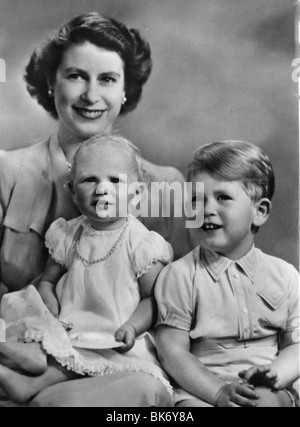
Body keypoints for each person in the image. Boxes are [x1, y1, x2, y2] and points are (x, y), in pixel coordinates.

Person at [0, 12, 186, 407]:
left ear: (124, 90)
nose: (90, 95)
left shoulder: (165, 184)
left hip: (121, 359)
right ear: (51, 84)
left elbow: (180, 302)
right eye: (75, 76)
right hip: (28, 351)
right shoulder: (6, 170)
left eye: (107, 79)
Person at [0, 135, 174, 404]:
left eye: (115, 181)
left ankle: (29, 378)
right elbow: (47, 281)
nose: (102, 189)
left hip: (117, 340)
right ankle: (26, 363)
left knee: (76, 361)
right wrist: (51, 311)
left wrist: (132, 326)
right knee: (37, 317)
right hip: (72, 331)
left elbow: (155, 299)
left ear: (136, 193)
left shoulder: (141, 243)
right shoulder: (68, 234)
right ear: (72, 190)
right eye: (90, 180)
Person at [155, 141, 300, 407]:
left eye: (222, 197)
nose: (206, 209)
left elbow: (296, 346)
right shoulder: (179, 275)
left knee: (264, 403)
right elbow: (172, 352)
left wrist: (275, 374)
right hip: (201, 389)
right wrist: (219, 392)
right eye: (197, 199)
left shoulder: (286, 275)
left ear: (259, 211)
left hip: (266, 386)